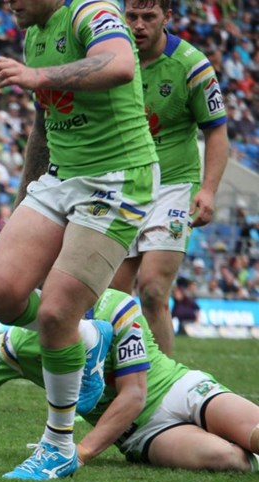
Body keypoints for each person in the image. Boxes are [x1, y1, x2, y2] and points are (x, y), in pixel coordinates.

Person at [0, 0, 159, 479]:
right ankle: (85, 338)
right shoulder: (34, 34)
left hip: (118, 177)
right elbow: (46, 121)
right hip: (61, 177)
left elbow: (121, 65)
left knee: (57, 309)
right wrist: (27, 194)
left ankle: (58, 444)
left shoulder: (91, 11)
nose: (8, 4)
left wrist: (41, 77)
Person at [0, 288, 259, 475]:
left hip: (181, 389)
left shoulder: (117, 307)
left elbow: (133, 394)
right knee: (230, 458)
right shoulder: (18, 343)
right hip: (140, 433)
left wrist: (79, 453)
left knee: (254, 432)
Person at [109, 0, 229, 357]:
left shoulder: (192, 67)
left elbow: (217, 132)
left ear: (168, 18)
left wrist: (207, 190)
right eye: (132, 16)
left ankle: (161, 384)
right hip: (124, 184)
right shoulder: (111, 56)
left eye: (149, 17)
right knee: (113, 297)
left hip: (174, 186)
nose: (139, 25)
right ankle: (119, 378)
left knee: (152, 290)